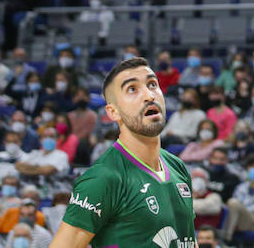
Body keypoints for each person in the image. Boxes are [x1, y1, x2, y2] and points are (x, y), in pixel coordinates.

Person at [47, 57, 195, 248]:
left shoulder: (178, 167)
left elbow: (189, 240)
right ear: (113, 112)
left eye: (152, 84)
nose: (149, 95)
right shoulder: (104, 178)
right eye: (132, 89)